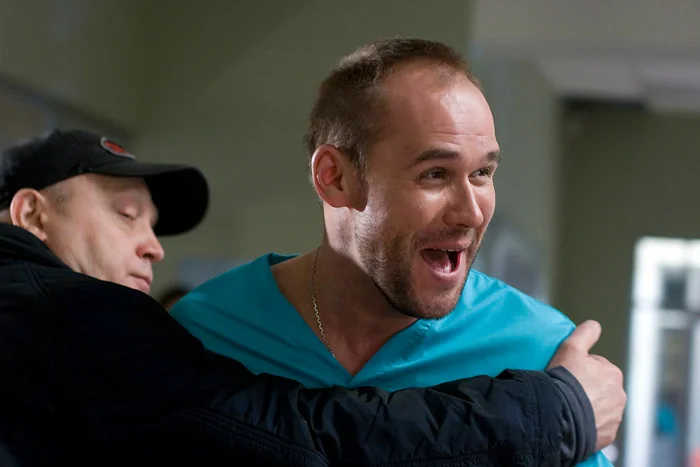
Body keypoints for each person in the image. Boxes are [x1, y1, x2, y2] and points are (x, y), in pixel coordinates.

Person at [0, 129, 622, 466]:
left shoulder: (538, 338)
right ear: (30, 213)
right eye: (126, 215)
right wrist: (555, 413)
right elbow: (297, 439)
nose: (154, 248)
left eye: (482, 173)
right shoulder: (64, 313)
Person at [171, 38, 625, 466]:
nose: (471, 212)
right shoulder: (205, 330)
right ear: (335, 177)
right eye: (435, 174)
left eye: (482, 174)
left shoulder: (540, 355)